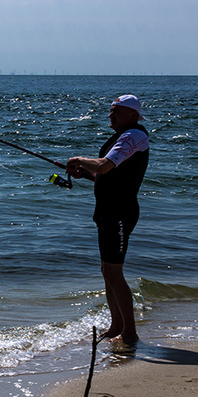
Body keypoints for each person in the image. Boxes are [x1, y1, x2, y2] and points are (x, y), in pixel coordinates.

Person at [66, 95, 149, 352]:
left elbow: (104, 165)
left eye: (116, 112)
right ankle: (116, 326)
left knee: (114, 271)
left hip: (120, 213)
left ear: (132, 115)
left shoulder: (134, 136)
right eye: (110, 111)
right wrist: (87, 175)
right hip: (108, 211)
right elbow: (106, 174)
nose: (110, 115)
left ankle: (130, 332)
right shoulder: (123, 136)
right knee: (107, 270)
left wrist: (79, 160)